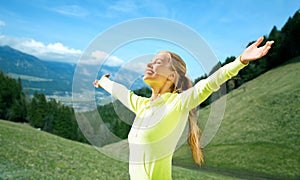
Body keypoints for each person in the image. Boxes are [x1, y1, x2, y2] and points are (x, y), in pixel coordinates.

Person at [93, 36, 274, 180]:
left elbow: (209, 84)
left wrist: (241, 61)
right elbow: (121, 92)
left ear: (172, 75)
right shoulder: (143, 106)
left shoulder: (178, 103)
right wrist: (103, 82)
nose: (149, 64)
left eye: (157, 62)